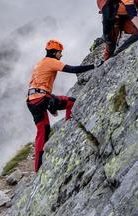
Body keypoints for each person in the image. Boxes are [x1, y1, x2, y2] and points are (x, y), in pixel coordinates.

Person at [26, 39, 100, 172]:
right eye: (60, 53)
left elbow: (38, 87)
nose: (61, 55)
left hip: (32, 102)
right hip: (42, 99)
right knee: (71, 102)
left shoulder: (40, 63)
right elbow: (72, 69)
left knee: (43, 132)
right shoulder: (52, 62)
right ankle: (69, 128)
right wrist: (94, 66)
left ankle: (38, 168)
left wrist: (49, 106)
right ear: (55, 52)